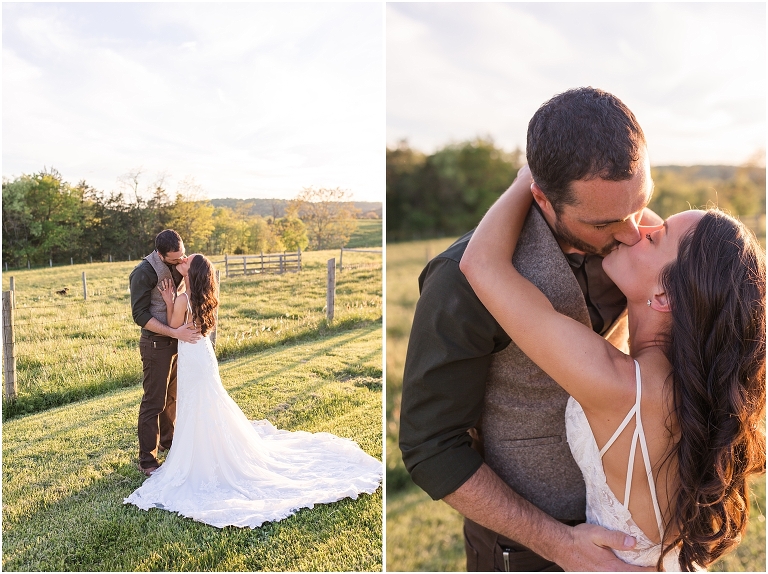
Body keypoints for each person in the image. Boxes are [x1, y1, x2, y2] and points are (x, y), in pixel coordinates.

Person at [399, 87, 665, 571]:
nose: (633, 233)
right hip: (524, 548)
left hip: (642, 530)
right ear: (541, 197)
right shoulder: (461, 282)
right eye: (605, 222)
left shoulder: (642, 247)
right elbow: (431, 448)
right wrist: (558, 544)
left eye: (642, 204)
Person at [460, 166, 765, 570]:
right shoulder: (695, 384)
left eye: (653, 237)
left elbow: (481, 265)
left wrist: (530, 179)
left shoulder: (621, 386)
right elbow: (664, 242)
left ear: (664, 294)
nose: (636, 229)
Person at [124, 254, 382, 528]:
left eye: (187, 261)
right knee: (208, 400)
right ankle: (203, 443)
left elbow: (175, 328)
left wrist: (167, 300)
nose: (183, 260)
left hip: (191, 358)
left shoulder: (182, 299)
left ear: (191, 273)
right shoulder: (202, 297)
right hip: (203, 356)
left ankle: (200, 450)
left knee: (196, 402)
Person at [129, 229, 201, 477]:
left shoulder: (178, 263)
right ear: (160, 255)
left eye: (183, 255)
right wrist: (174, 332)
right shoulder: (143, 273)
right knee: (154, 402)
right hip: (155, 346)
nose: (180, 260)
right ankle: (147, 460)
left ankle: (168, 443)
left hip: (176, 344)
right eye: (174, 258)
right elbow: (140, 316)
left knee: (172, 398)